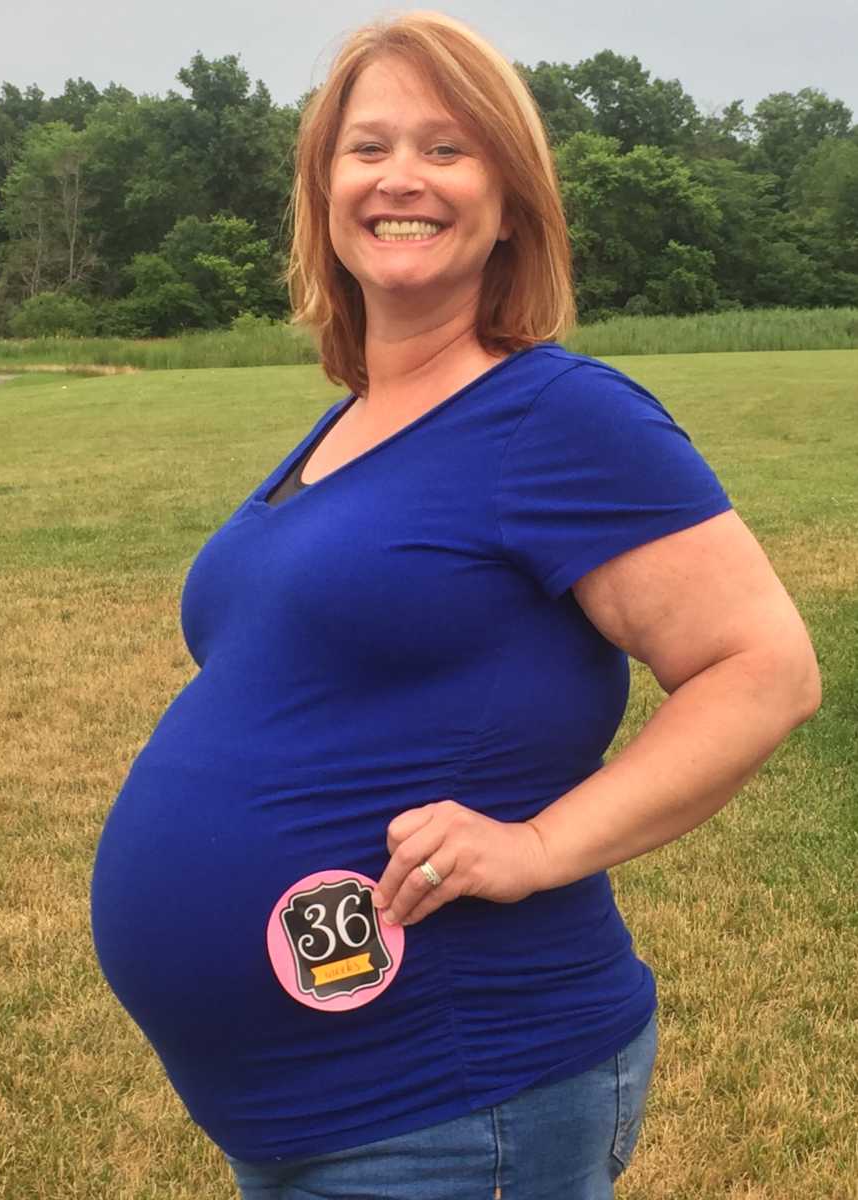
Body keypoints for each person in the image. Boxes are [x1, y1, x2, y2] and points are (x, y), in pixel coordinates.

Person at [90, 11, 821, 1199]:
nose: (401, 178)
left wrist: (539, 845)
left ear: (512, 200)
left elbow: (766, 669)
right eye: (367, 147)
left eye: (448, 148)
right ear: (324, 189)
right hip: (304, 1111)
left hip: (454, 1098)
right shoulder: (342, 426)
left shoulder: (560, 416)